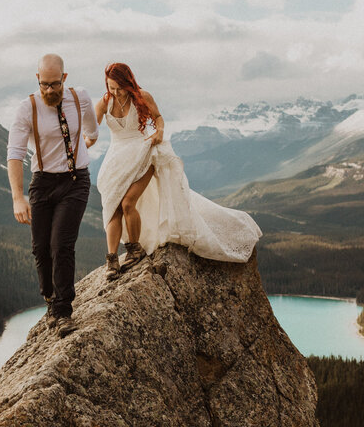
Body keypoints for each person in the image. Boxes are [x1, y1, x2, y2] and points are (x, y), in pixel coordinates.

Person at [94, 62, 260, 280]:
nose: (115, 92)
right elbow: (91, 130)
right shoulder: (105, 102)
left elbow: (158, 118)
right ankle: (112, 260)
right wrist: (84, 142)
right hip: (116, 160)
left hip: (144, 154)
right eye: (111, 87)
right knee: (113, 208)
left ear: (128, 83)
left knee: (127, 203)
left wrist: (159, 132)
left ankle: (135, 249)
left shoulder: (142, 97)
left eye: (119, 87)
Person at [7, 54, 98, 336]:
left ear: (64, 78)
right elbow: (15, 154)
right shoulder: (27, 108)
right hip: (43, 183)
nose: (49, 90)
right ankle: (50, 298)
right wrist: (17, 197)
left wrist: (89, 138)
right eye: (44, 84)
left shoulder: (79, 97)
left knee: (61, 245)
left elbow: (93, 127)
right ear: (37, 79)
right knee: (41, 249)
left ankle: (63, 312)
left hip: (75, 181)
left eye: (54, 84)